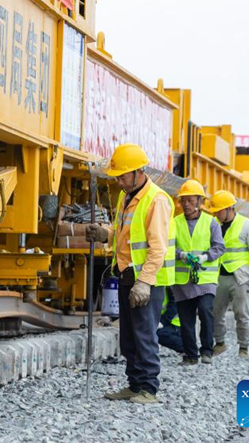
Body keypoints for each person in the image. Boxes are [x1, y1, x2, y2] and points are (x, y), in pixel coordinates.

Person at [86, 144, 175, 405]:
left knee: (144, 335)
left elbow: (157, 247)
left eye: (123, 176)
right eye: (117, 176)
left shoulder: (156, 200)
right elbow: (128, 238)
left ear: (139, 172)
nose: (119, 181)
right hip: (127, 274)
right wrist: (106, 234)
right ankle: (135, 385)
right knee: (129, 337)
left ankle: (149, 388)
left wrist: (145, 282)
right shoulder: (127, 197)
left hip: (146, 280)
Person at [207, 190, 249, 358]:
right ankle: (220, 343)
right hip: (219, 275)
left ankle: (244, 348)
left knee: (242, 313)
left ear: (229, 208)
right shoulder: (214, 225)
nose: (216, 213)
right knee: (216, 312)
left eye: (219, 210)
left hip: (240, 277)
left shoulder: (247, 225)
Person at [172, 179, 225, 365]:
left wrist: (204, 257)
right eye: (183, 200)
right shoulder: (174, 223)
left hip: (205, 278)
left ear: (200, 201)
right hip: (182, 280)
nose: (186, 204)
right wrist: (181, 254)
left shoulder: (211, 223)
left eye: (190, 200)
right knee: (185, 320)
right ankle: (191, 355)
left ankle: (207, 351)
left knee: (205, 311)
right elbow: (167, 247)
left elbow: (219, 247)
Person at [157, 287, 184, 354]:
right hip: (163, 321)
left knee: (159, 333)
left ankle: (187, 348)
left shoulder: (169, 286)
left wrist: (162, 322)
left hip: (175, 324)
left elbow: (174, 305)